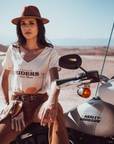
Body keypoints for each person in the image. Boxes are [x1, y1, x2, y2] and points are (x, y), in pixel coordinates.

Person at [0, 5, 69, 144]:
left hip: (39, 104)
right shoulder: (13, 49)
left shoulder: (49, 52)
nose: (27, 27)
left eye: (32, 23)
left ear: (39, 26)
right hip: (17, 106)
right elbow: (4, 77)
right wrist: (7, 104)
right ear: (19, 27)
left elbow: (55, 80)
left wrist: (52, 100)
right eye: (23, 24)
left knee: (56, 109)